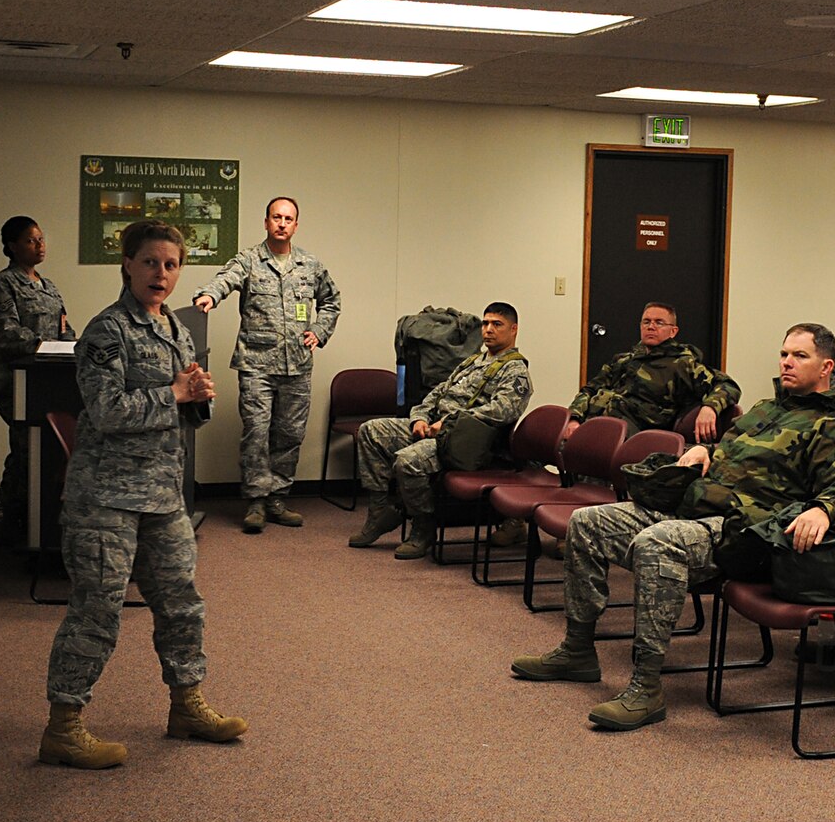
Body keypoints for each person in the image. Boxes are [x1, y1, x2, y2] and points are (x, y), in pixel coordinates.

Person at [509, 324, 835, 732]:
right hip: (694, 510)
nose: (787, 362)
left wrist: (822, 510)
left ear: (827, 367)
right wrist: (706, 449)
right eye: (784, 353)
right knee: (588, 522)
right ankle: (578, 649)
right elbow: (733, 451)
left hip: (741, 533)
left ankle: (646, 686)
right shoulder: (765, 411)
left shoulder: (834, 425)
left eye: (800, 356)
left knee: (656, 543)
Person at [40, 220, 246, 769]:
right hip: (106, 496)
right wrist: (173, 391)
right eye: (151, 262)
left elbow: (182, 408)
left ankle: (186, 706)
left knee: (182, 606)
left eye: (172, 265)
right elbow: (104, 413)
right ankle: (63, 725)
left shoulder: (176, 330)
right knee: (97, 612)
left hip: (162, 493)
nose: (161, 274)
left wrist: (196, 395)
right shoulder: (107, 331)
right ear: (127, 265)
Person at [191, 196, 343, 534]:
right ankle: (256, 502)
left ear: (296, 225)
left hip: (297, 366)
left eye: (288, 219)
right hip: (257, 363)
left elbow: (331, 300)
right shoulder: (249, 260)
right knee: (257, 433)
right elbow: (225, 279)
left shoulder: (310, 265)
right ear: (266, 222)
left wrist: (318, 331)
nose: (282, 223)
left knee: (289, 434)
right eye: (276, 217)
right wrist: (209, 296)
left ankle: (277, 498)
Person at [349, 302, 531, 561]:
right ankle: (381, 511)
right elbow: (438, 392)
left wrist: (449, 423)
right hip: (436, 426)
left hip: (467, 441)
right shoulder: (473, 361)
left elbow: (503, 411)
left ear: (513, 329)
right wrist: (419, 419)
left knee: (409, 460)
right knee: (371, 431)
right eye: (485, 323)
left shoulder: (515, 370)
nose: (488, 330)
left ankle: (423, 528)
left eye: (497, 324)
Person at [0, 217, 74, 546]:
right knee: (25, 451)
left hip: (52, 381)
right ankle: (15, 522)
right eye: (31, 240)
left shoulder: (48, 287)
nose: (40, 245)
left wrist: (73, 345)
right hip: (16, 383)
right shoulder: (2, 286)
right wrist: (44, 345)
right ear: (11, 246)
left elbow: (65, 327)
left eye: (42, 239)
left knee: (41, 451)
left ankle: (39, 525)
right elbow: (5, 333)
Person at [568, 301, 738, 440]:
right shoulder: (623, 360)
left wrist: (710, 408)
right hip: (596, 423)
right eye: (646, 322)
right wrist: (574, 418)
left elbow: (728, 385)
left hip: (641, 433)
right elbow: (590, 390)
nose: (651, 326)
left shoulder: (682, 363)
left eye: (659, 322)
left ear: (673, 331)